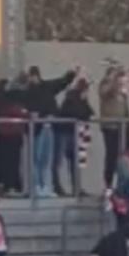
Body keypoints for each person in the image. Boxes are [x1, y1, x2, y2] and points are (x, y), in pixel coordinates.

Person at [23, 65, 77, 198]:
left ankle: (44, 186)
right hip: (36, 129)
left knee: (45, 159)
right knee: (37, 158)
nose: (33, 79)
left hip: (48, 126)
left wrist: (71, 74)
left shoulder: (46, 87)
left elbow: (61, 82)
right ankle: (36, 186)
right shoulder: (27, 92)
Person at [0, 77, 28, 194]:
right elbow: (15, 112)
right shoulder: (6, 100)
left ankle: (8, 184)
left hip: (6, 134)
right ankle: (10, 184)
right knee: (10, 160)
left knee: (7, 160)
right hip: (9, 133)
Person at [55, 74, 92, 196]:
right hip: (66, 132)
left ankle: (76, 188)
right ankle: (58, 186)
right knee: (61, 161)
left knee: (75, 162)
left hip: (75, 132)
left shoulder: (80, 98)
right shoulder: (72, 97)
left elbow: (88, 112)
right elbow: (77, 113)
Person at [98, 61, 129, 189]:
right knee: (111, 156)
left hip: (122, 128)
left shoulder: (121, 92)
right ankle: (108, 184)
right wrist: (112, 76)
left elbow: (125, 109)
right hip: (110, 127)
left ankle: (124, 183)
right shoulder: (105, 85)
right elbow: (106, 92)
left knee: (125, 155)